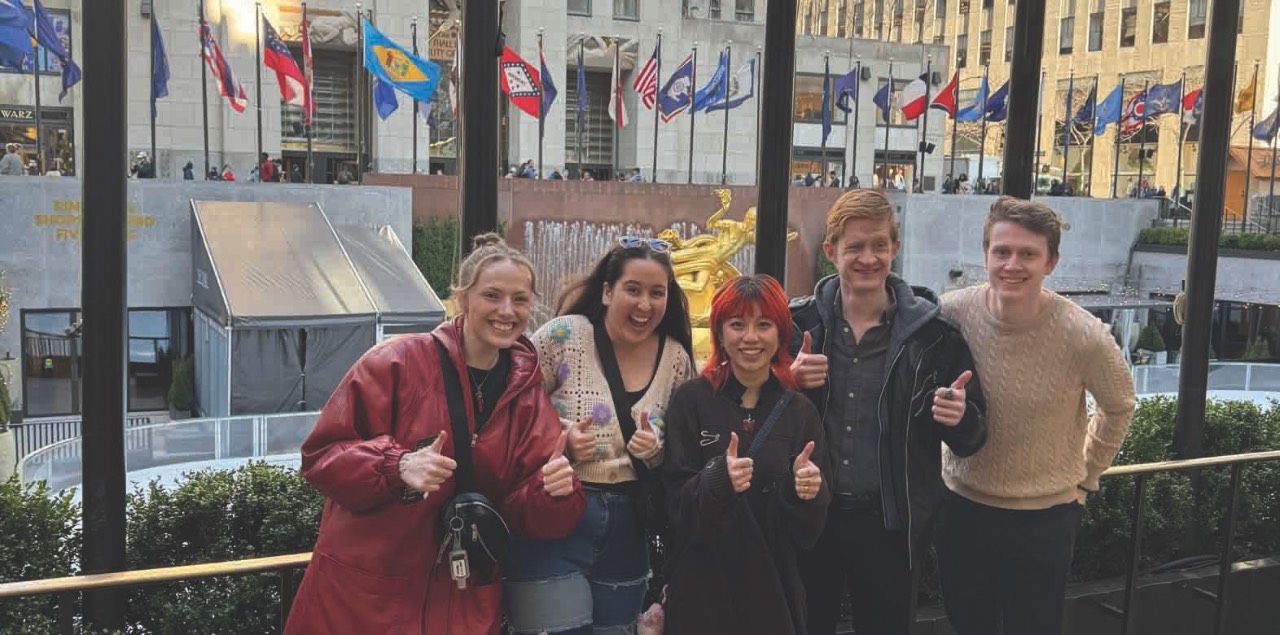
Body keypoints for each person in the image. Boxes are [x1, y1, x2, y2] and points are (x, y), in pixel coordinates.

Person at [287, 235, 587, 635]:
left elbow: (525, 512)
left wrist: (553, 492)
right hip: (367, 597)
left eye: (520, 299)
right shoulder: (395, 363)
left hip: (460, 600)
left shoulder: (528, 396)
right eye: (492, 295)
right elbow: (320, 456)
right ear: (462, 299)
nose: (507, 311)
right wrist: (396, 466)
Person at [934, 197, 1135, 635]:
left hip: (1045, 518)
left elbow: (1119, 404)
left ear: (1051, 262)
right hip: (962, 508)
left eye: (1027, 253)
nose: (1012, 264)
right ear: (985, 255)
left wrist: (1087, 475)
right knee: (968, 625)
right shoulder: (951, 314)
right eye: (1002, 251)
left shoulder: (1084, 335)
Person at [790, 189, 986, 635]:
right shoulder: (797, 326)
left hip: (891, 524)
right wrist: (789, 382)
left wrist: (960, 418)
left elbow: (973, 437)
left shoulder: (934, 336)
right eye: (855, 246)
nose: (868, 257)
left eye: (879, 244)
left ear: (894, 247)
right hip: (812, 515)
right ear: (831, 252)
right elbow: (756, 411)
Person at [504, 236, 696, 634]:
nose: (644, 304)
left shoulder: (676, 358)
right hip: (556, 515)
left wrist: (655, 451)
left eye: (656, 293)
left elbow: (686, 449)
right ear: (607, 292)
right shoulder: (564, 336)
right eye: (633, 290)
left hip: (630, 528)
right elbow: (511, 408)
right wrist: (560, 443)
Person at [661, 275, 831, 634]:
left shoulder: (800, 411)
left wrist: (804, 491)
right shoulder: (691, 400)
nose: (750, 337)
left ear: (780, 334)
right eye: (737, 325)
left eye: (763, 325)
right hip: (703, 590)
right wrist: (717, 478)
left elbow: (809, 532)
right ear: (719, 334)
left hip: (774, 592)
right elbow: (673, 505)